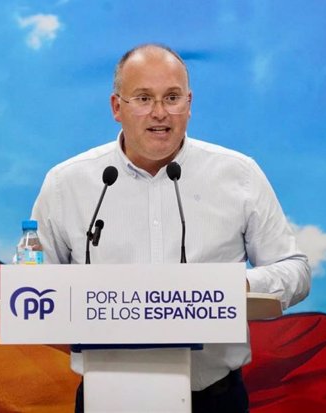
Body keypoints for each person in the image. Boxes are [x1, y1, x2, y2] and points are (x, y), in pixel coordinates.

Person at [30, 43, 311, 413]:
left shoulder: (238, 175)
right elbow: (34, 290)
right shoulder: (68, 183)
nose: (159, 113)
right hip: (106, 395)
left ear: (190, 104)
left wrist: (237, 288)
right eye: (143, 98)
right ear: (117, 107)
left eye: (172, 97)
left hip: (213, 396)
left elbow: (296, 270)